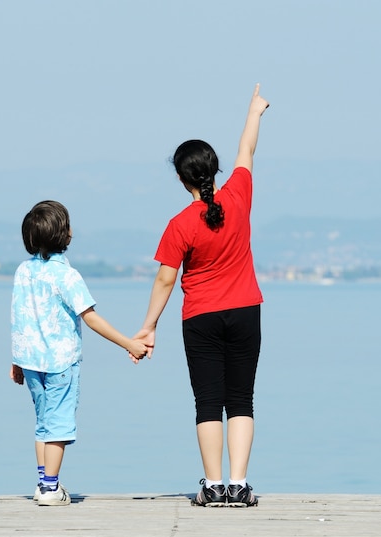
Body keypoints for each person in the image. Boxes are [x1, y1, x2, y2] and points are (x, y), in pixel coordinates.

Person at [133, 84, 270, 507]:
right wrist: (254, 112)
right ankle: (240, 484)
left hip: (201, 317)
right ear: (216, 171)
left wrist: (148, 326)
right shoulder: (239, 196)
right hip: (246, 310)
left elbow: (164, 281)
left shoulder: (180, 224)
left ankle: (212, 487)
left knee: (209, 401)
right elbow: (247, 150)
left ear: (181, 178)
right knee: (241, 399)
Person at [10, 200, 148, 506]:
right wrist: (129, 343)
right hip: (60, 363)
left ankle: (43, 481)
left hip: (31, 362)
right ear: (65, 234)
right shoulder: (67, 276)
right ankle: (50, 488)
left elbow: (20, 317)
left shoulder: (23, 272)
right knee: (58, 425)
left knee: (43, 423)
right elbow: (91, 317)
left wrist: (17, 360)